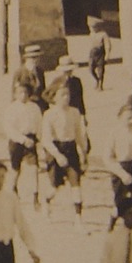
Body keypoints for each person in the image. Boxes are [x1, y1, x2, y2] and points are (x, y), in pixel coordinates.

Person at [41, 84, 88, 222]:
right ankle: (46, 200)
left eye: (67, 94)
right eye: (62, 95)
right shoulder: (49, 115)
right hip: (55, 149)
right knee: (54, 188)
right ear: (54, 98)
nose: (66, 98)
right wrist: (57, 155)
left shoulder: (74, 112)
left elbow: (79, 134)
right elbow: (46, 140)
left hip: (71, 148)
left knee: (76, 185)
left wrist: (83, 152)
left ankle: (78, 219)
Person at [3, 81, 44, 208]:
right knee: (16, 169)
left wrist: (38, 138)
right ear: (15, 94)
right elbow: (9, 128)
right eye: (20, 92)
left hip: (31, 140)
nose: (23, 95)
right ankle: (12, 190)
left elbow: (39, 123)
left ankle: (35, 196)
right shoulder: (12, 109)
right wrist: (22, 139)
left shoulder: (34, 108)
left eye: (26, 92)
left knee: (33, 169)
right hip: (16, 141)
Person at [86, 16, 111, 91]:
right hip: (92, 53)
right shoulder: (91, 34)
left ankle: (100, 84)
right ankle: (97, 80)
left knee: (100, 70)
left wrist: (107, 55)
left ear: (97, 27)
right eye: (91, 27)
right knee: (91, 69)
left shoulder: (103, 34)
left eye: (93, 27)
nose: (92, 29)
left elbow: (107, 45)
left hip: (100, 53)